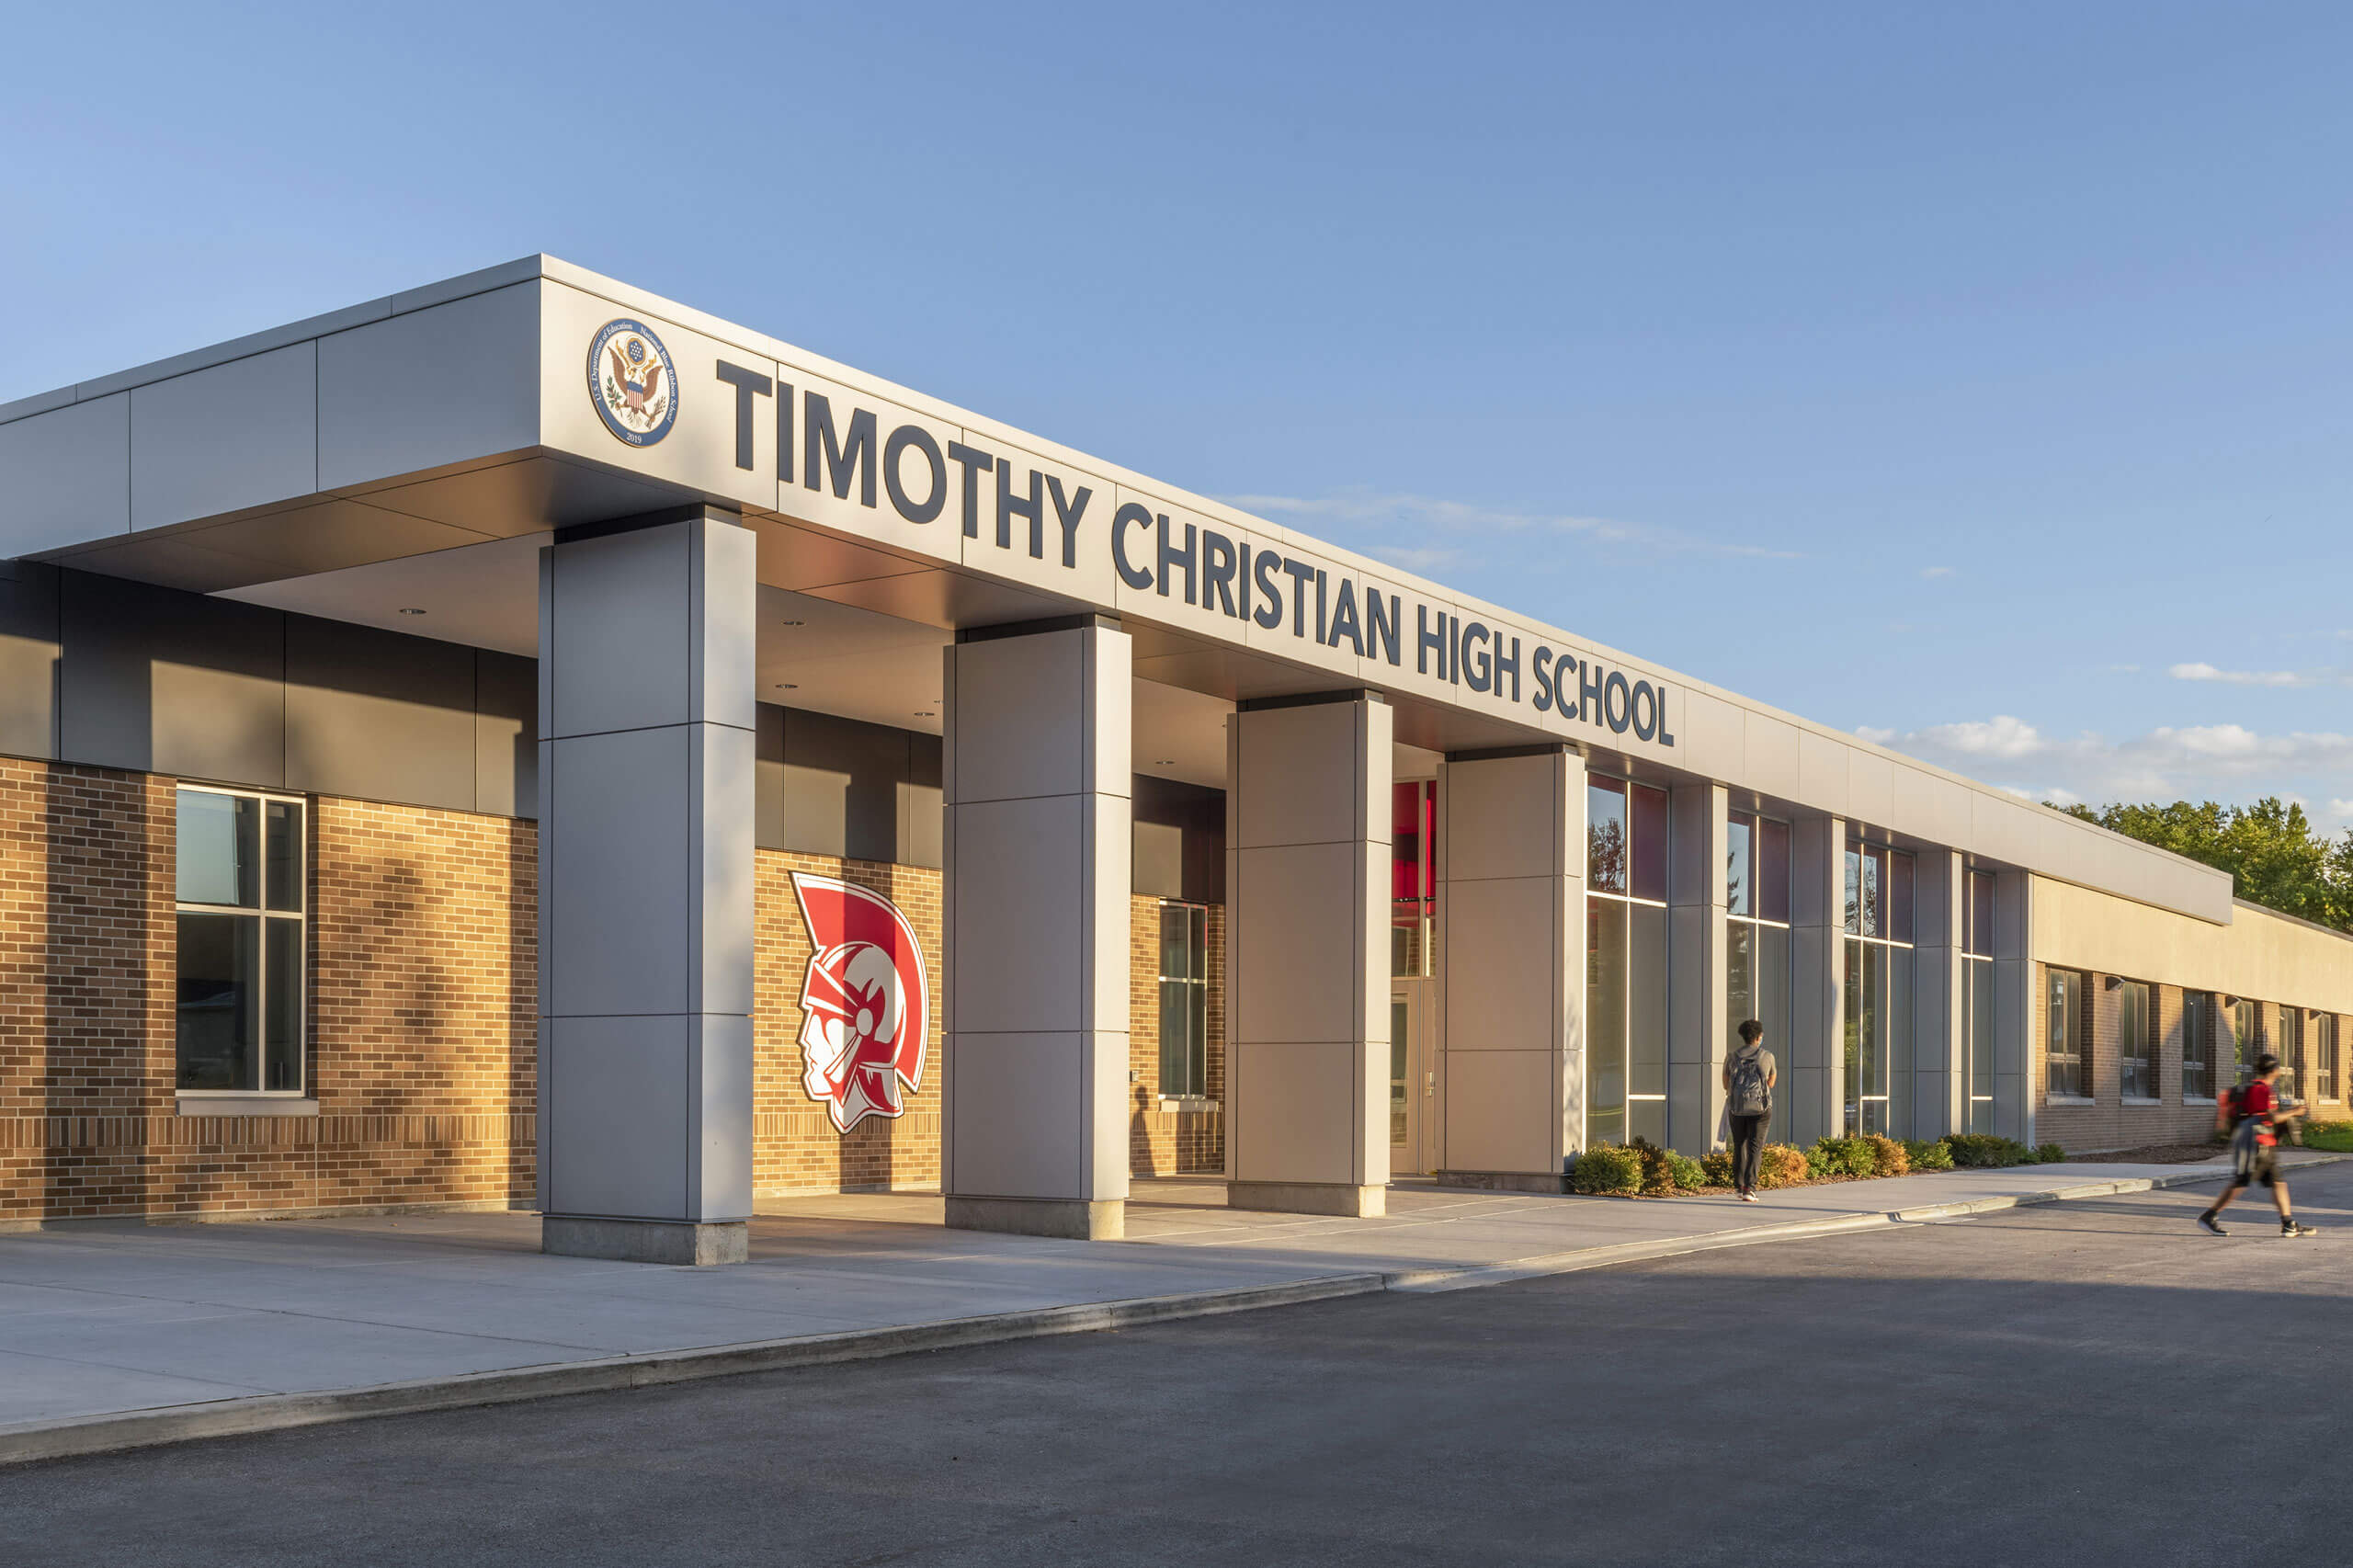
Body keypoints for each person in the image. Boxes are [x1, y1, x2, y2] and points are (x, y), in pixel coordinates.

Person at [2199, 1053, 2316, 1236]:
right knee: (2242, 1181)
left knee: (2277, 1182)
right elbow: (2271, 1117)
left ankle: (2288, 1223)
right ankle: (2209, 1216)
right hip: (2257, 1143)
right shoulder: (2261, 1090)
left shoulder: (2257, 1088)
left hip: (2262, 1143)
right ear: (2274, 1070)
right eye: (2278, 1068)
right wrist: (2295, 1112)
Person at [1722, 1018, 1776, 1201]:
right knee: (1755, 1146)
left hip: (1737, 1108)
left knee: (1739, 1145)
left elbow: (1725, 1084)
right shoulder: (1767, 1056)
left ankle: (1738, 1187)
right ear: (1759, 1037)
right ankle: (1749, 1188)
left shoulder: (1731, 1057)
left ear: (1743, 1037)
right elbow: (1771, 1083)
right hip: (1761, 1109)